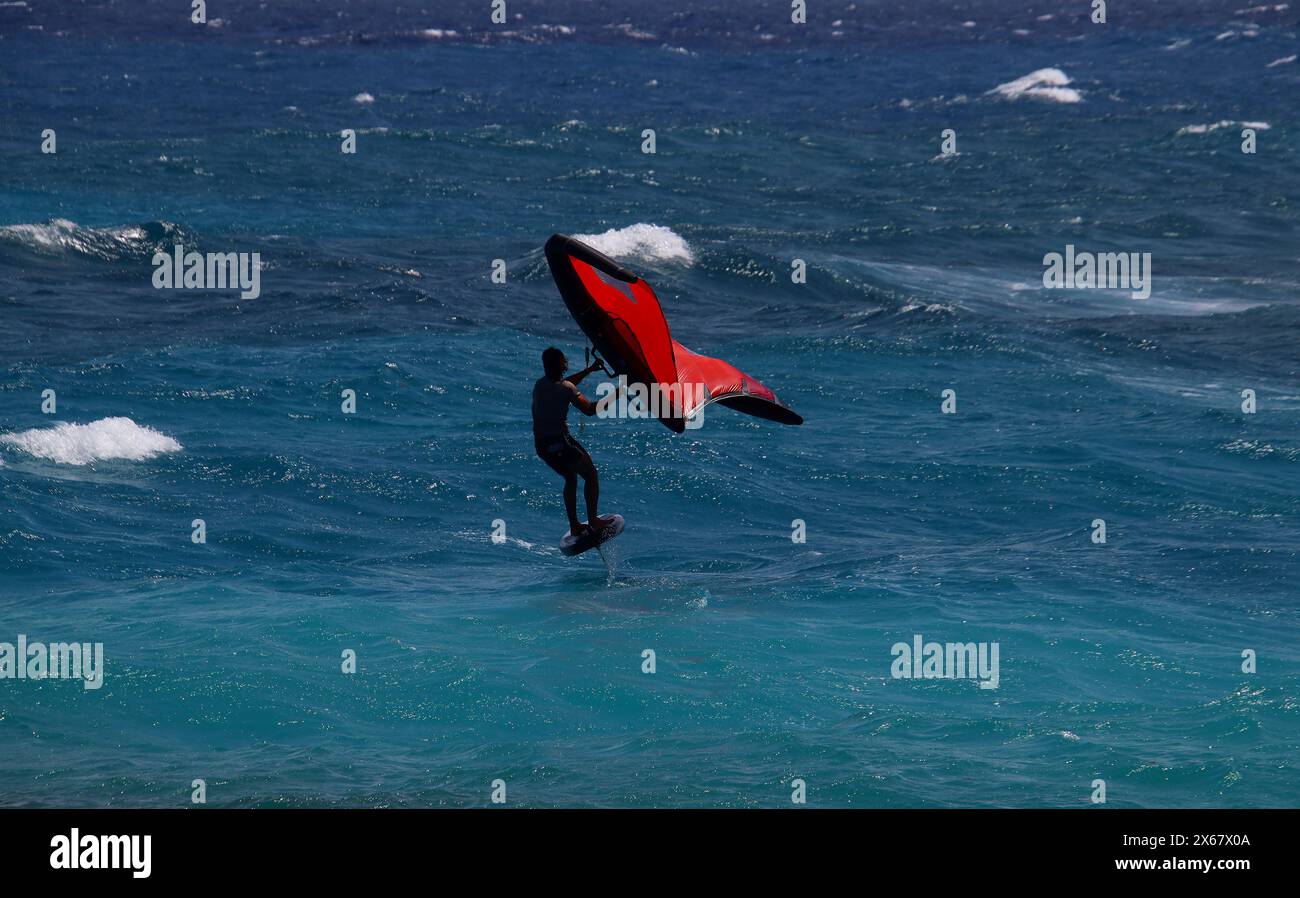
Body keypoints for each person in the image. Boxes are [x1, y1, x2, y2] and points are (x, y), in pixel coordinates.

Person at [532, 347, 607, 538]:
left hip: (542, 446)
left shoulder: (540, 385)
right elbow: (589, 409)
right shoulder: (566, 388)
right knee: (590, 474)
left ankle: (575, 525)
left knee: (571, 478)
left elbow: (566, 385)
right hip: (559, 443)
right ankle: (594, 521)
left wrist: (588, 371)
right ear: (563, 364)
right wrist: (619, 393)